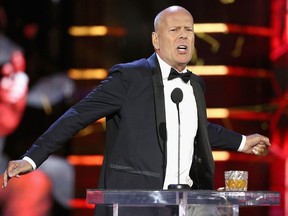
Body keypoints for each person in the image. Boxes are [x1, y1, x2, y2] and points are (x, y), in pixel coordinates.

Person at [2, 5, 270, 216]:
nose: (184, 35)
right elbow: (78, 115)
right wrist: (32, 159)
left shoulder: (195, 84)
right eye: (174, 29)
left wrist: (243, 142)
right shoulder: (130, 78)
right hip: (135, 205)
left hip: (186, 205)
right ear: (156, 39)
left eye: (188, 30)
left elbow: (196, 129)